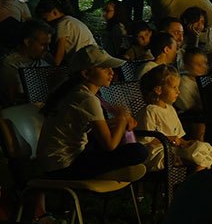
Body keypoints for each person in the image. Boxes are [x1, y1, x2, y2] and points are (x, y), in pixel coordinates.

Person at [38, 45, 149, 179]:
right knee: (139, 151)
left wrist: (118, 123)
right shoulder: (87, 99)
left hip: (54, 162)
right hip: (64, 166)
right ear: (86, 73)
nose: (111, 72)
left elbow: (90, 128)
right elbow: (109, 145)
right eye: (104, 68)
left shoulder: (75, 93)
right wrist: (122, 120)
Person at [139, 64, 212, 171]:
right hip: (158, 153)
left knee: (203, 149)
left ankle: (198, 177)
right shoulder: (150, 111)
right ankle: (195, 182)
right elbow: (146, 141)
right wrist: (169, 139)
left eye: (178, 87)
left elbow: (178, 138)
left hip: (173, 149)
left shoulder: (170, 109)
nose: (178, 91)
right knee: (197, 161)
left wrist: (186, 143)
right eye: (174, 87)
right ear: (159, 90)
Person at [0, 19, 52, 106]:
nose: (47, 49)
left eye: (48, 44)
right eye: (43, 45)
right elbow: (13, 96)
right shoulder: (9, 64)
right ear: (27, 42)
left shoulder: (46, 58)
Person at [35, 0, 98, 67]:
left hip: (87, 61)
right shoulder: (70, 20)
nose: (45, 20)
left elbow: (60, 51)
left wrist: (54, 69)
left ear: (54, 12)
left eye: (45, 16)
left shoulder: (63, 24)